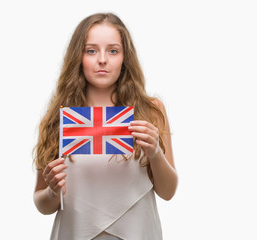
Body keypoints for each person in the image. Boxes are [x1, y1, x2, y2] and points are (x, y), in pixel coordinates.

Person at [33, 12, 178, 240]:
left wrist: (155, 153)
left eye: (113, 50)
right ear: (78, 57)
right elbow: (42, 203)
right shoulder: (57, 118)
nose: (102, 59)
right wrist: (52, 191)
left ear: (124, 57)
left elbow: (168, 192)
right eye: (91, 51)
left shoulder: (149, 111)